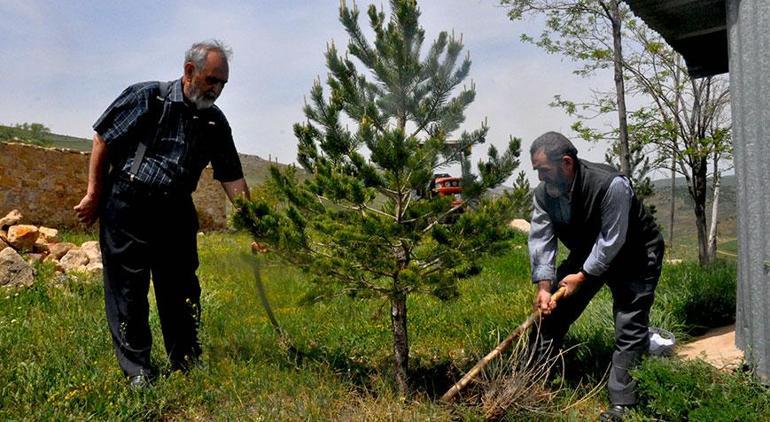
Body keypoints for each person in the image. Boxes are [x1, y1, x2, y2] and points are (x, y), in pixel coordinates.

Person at [74, 40, 249, 388]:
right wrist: (94, 193)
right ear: (189, 71)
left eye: (222, 84)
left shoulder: (214, 122)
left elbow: (232, 177)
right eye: (212, 80)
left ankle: (184, 361)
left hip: (176, 211)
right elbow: (102, 140)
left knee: (182, 288)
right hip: (129, 204)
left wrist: (254, 224)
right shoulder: (147, 98)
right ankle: (138, 370)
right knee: (128, 290)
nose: (217, 90)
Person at [526, 132, 663, 421]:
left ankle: (622, 403)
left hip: (634, 254)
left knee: (629, 324)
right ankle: (533, 381)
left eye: (544, 171)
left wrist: (583, 276)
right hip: (587, 251)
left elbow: (612, 241)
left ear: (566, 163)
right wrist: (543, 287)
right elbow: (541, 240)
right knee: (551, 312)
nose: (540, 178)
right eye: (536, 171)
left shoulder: (610, 185)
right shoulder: (543, 195)